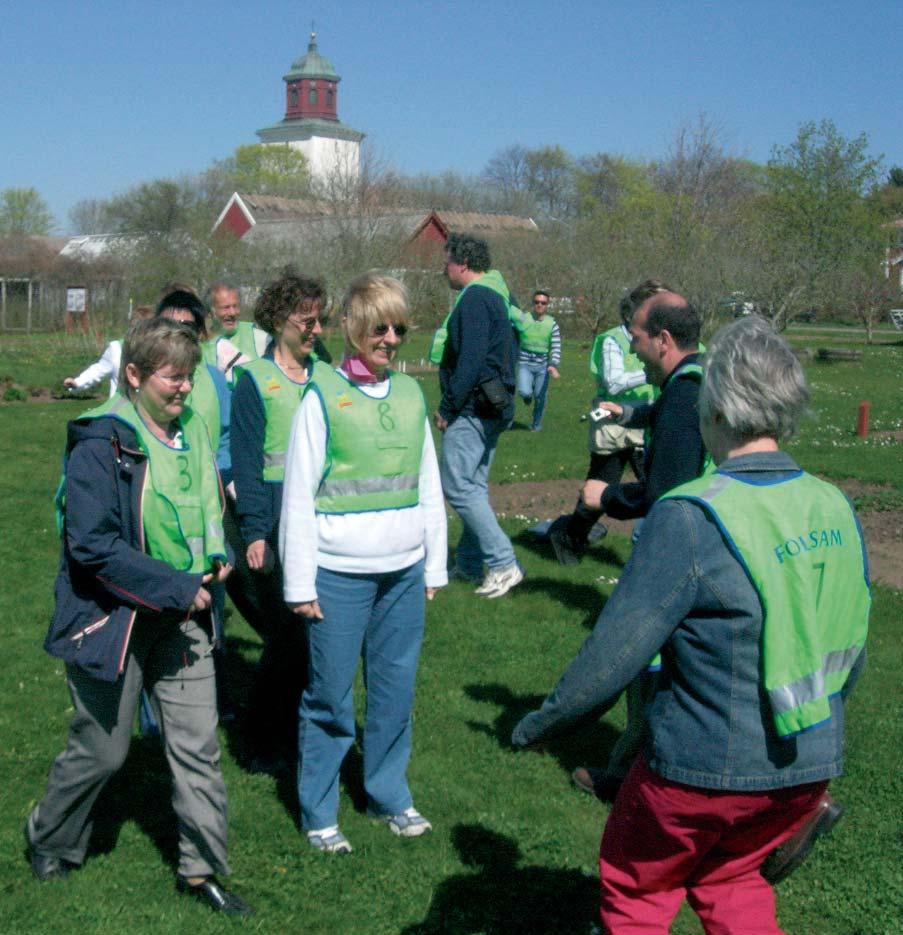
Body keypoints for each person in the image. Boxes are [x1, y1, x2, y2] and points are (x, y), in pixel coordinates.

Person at [513, 315, 869, 935]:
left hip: (702, 767)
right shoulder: (833, 504)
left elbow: (614, 655)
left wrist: (544, 724)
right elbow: (852, 644)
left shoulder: (693, 515)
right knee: (732, 880)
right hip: (806, 764)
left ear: (717, 411)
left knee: (637, 888)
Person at [25, 318, 253, 916]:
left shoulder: (194, 430)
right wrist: (178, 586)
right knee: (104, 750)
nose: (183, 390)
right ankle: (50, 836)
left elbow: (207, 502)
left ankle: (203, 871)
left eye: (189, 378)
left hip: (183, 617)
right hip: (112, 619)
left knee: (198, 747)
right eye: (171, 379)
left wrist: (217, 556)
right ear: (133, 375)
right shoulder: (101, 441)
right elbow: (92, 546)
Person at [280, 273, 447, 854]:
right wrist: (300, 582)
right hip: (337, 576)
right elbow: (298, 496)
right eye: (380, 327)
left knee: (395, 690)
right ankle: (319, 811)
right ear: (353, 329)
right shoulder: (321, 396)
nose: (391, 338)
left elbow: (429, 483)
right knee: (329, 697)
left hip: (402, 572)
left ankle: (387, 794)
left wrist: (434, 566)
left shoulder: (410, 395)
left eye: (400, 327)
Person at [559, 288, 709, 800]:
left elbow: (662, 494)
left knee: (649, 661)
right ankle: (633, 772)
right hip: (708, 548)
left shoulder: (686, 396)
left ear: (663, 340)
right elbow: (664, 413)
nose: (635, 348)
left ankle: (632, 779)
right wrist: (626, 413)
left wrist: (607, 497)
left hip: (682, 553)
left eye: (639, 339)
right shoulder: (696, 378)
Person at [229, 270, 328, 772]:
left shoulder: (326, 374)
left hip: (322, 519)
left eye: (320, 319)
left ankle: (299, 732)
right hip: (273, 517)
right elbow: (246, 460)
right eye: (305, 320)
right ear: (277, 319)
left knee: (312, 636)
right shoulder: (255, 380)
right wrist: (254, 532)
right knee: (287, 638)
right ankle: (258, 740)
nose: (315, 329)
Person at [434, 232, 523, 599]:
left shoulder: (474, 300)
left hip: (473, 406)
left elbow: (470, 360)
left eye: (447, 261)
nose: (444, 268)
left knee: (457, 485)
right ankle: (470, 564)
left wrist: (448, 406)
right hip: (495, 405)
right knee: (473, 486)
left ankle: (503, 564)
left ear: (463, 264)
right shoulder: (500, 295)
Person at [63, 305, 154, 396]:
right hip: (121, 405)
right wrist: (78, 383)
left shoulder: (160, 351)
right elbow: (98, 370)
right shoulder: (116, 349)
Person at [515, 289, 561, 432]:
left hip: (543, 367)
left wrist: (553, 365)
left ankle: (536, 425)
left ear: (547, 305)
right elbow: (512, 336)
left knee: (540, 398)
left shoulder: (552, 324)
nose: (539, 305)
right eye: (536, 302)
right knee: (524, 391)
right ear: (533, 303)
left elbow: (556, 346)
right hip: (524, 364)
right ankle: (527, 395)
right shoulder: (523, 318)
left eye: (543, 303)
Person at [205, 282, 269, 365]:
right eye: (226, 308)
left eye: (235, 306)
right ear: (210, 312)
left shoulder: (259, 337)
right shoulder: (202, 342)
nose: (232, 313)